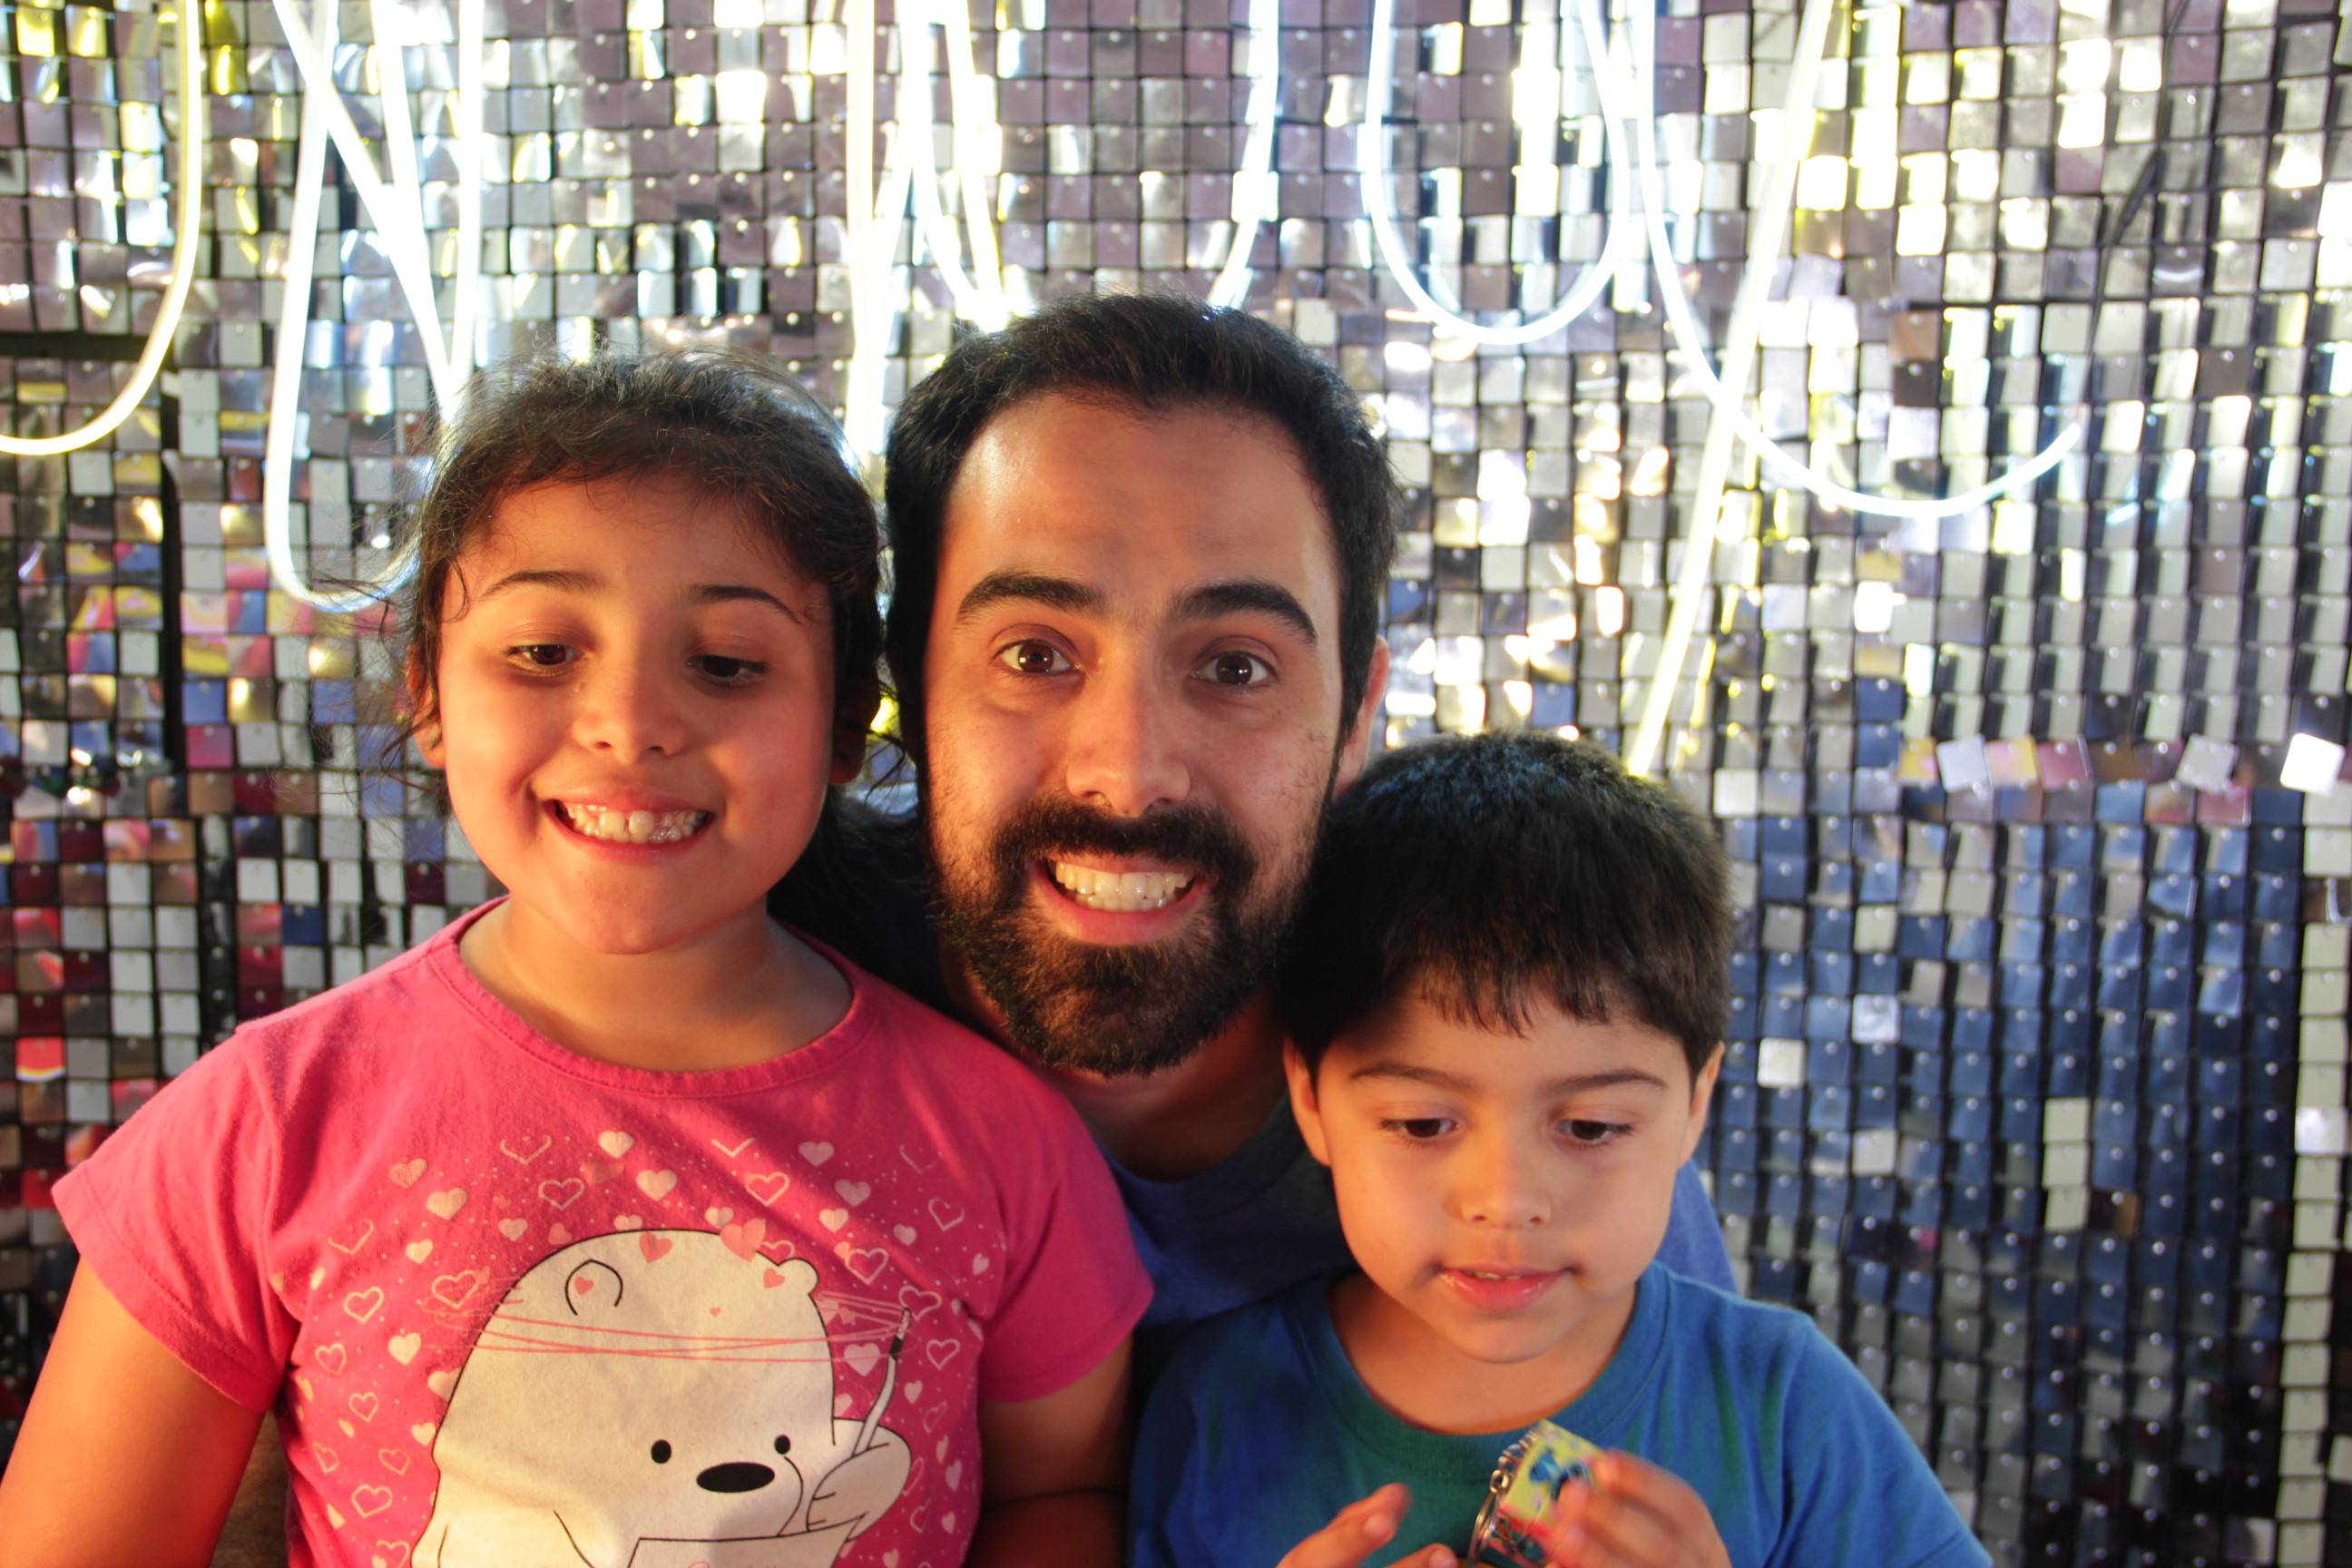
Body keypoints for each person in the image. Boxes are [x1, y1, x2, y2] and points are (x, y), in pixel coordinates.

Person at [0, 352, 1148, 1568]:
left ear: (842, 724)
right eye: (545, 652)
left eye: (727, 663)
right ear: (427, 693)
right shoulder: (263, 1128)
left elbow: (1058, 1495)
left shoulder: (1002, 1144)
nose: (630, 723)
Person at [785, 293, 1735, 1377]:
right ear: (908, 687)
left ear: (1354, 714)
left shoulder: (1517, 1044)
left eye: (1236, 667)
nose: (1128, 774)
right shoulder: (757, 967)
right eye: (1034, 657)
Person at [1128, 733, 1990, 1568]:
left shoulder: (1783, 1403)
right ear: (1312, 1100)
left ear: (1693, 1107)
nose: (1506, 1199)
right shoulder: (1217, 1405)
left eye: (1591, 1128)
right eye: (1424, 1125)